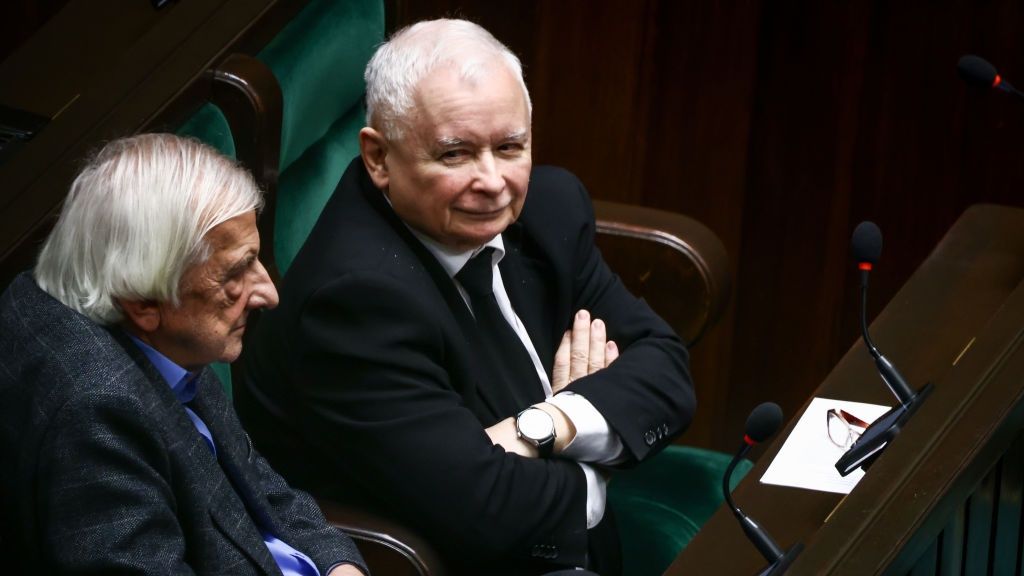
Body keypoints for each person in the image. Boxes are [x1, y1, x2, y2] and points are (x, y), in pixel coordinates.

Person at [237, 18, 694, 575]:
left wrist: (553, 425)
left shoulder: (550, 210)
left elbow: (667, 373)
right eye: (455, 154)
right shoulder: (354, 303)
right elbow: (491, 511)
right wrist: (603, 448)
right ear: (379, 158)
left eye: (510, 147)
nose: (493, 181)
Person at [0, 134, 366, 575]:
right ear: (143, 302)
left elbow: (257, 485)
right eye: (234, 274)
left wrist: (337, 563)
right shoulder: (97, 416)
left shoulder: (167, 327)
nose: (268, 293)